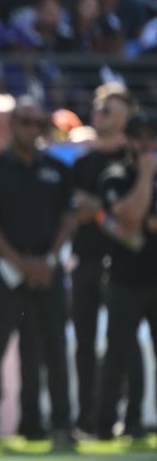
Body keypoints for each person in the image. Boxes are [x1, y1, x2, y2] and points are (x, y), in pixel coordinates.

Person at [0, 96, 77, 451]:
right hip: (6, 270)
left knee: (54, 350)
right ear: (12, 125)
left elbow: (68, 218)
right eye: (24, 122)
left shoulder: (58, 170)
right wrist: (21, 263)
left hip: (46, 267)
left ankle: (60, 425)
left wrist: (48, 259)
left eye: (37, 123)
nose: (31, 130)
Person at [70, 83, 143, 438]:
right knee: (85, 344)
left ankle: (132, 420)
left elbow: (109, 213)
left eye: (109, 109)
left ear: (128, 115)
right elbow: (75, 210)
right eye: (98, 108)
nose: (100, 114)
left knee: (126, 346)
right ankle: (88, 419)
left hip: (129, 266)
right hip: (87, 258)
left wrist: (98, 210)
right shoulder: (84, 162)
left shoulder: (132, 162)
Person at [94, 109, 157, 441]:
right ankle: (106, 424)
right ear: (129, 140)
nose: (146, 143)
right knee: (118, 354)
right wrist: (146, 177)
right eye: (140, 136)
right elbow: (129, 217)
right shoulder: (115, 175)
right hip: (124, 279)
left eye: (151, 136)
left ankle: (137, 422)